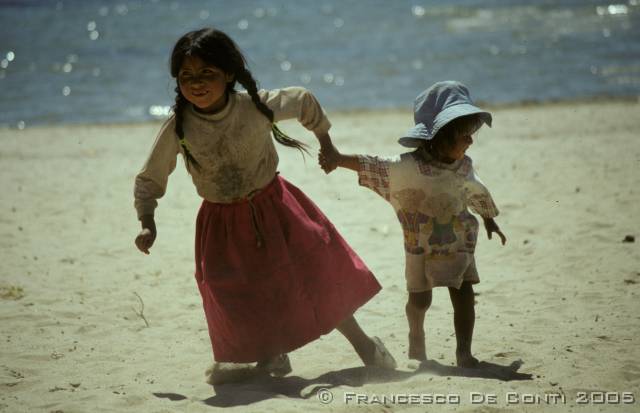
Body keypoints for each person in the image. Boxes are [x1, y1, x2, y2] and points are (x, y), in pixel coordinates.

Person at [133, 28, 396, 383]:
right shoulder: (179, 127)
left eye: (207, 74)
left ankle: (365, 346)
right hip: (220, 223)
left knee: (312, 278)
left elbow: (303, 100)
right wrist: (147, 222)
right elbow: (150, 179)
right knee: (236, 293)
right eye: (186, 76)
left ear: (228, 74)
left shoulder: (255, 107)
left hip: (276, 208)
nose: (196, 83)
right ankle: (271, 358)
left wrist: (327, 145)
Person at [319, 81, 507, 368]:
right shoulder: (407, 168)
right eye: (464, 135)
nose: (470, 141)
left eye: (471, 135)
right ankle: (416, 337)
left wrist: (489, 219)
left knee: (465, 295)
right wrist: (337, 159)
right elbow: (373, 164)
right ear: (440, 136)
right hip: (419, 247)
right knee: (420, 301)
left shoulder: (464, 167)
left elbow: (478, 192)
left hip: (459, 244)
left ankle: (464, 352)